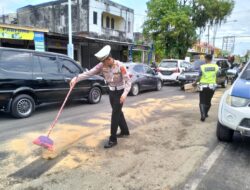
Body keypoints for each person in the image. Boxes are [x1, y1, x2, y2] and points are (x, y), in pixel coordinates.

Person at [70, 45, 132, 148]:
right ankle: (125, 131)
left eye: (104, 61)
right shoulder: (101, 66)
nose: (102, 64)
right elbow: (89, 73)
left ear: (109, 58)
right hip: (111, 92)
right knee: (118, 112)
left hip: (120, 92)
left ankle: (113, 139)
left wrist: (125, 94)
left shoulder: (120, 66)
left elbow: (128, 81)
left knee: (115, 114)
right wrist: (76, 79)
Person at [193, 54, 219, 122]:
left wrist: (195, 83)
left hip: (203, 85)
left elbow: (199, 77)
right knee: (208, 101)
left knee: (202, 101)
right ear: (211, 59)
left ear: (206, 59)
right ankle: (206, 113)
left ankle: (203, 115)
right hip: (212, 86)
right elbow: (217, 76)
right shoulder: (216, 67)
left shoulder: (202, 67)